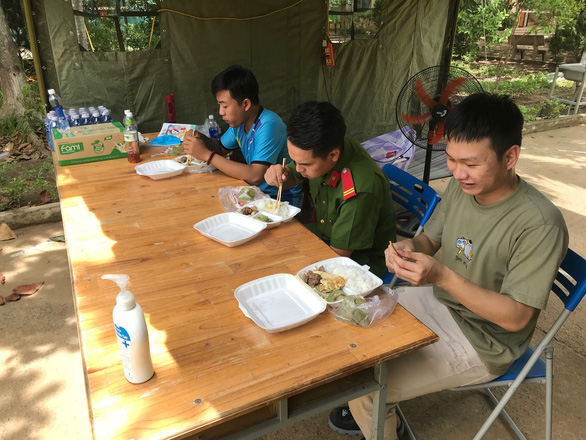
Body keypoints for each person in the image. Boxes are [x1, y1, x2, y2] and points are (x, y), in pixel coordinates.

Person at [327, 93, 569, 439]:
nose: (458, 173)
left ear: (510, 156)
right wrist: (409, 247)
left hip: (484, 338)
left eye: (471, 164)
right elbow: (430, 241)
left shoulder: (539, 224)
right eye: (452, 160)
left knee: (366, 386)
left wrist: (441, 275)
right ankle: (371, 410)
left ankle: (374, 412)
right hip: (440, 300)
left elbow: (516, 318)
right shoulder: (462, 188)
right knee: (351, 317)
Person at [264, 101, 396, 277]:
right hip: (326, 235)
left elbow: (338, 256)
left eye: (304, 164)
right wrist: (279, 174)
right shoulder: (330, 145)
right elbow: (294, 175)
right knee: (268, 246)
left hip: (360, 263)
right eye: (294, 161)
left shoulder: (359, 191)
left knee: (279, 268)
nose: (298, 168)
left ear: (334, 155)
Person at [182, 65, 302, 206]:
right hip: (258, 195)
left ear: (245, 104)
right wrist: (199, 138)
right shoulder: (239, 123)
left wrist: (207, 156)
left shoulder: (269, 125)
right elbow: (220, 148)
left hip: (280, 200)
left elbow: (255, 176)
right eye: (219, 105)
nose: (221, 112)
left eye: (225, 106)